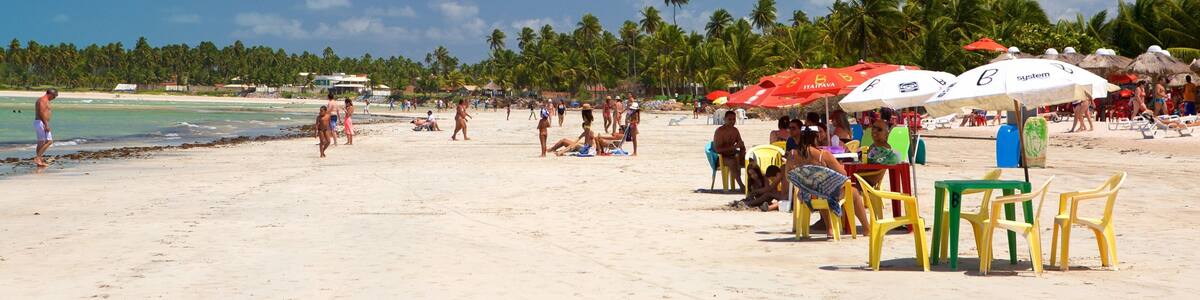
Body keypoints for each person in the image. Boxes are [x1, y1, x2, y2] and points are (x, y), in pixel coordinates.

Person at [785, 122, 870, 236]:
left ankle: (829, 228)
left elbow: (788, 176)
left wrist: (805, 182)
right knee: (853, 192)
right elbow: (843, 174)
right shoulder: (823, 155)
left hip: (806, 195)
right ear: (817, 137)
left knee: (818, 187)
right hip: (825, 194)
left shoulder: (792, 155)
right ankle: (866, 229)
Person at [713, 110, 747, 191]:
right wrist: (734, 147)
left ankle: (753, 184)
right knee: (732, 162)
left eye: (734, 119)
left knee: (751, 160)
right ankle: (742, 186)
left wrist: (743, 152)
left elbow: (741, 144)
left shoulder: (735, 130)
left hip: (733, 155)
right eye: (730, 119)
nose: (732, 121)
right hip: (721, 158)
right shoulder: (719, 131)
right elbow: (717, 150)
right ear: (724, 119)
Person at [32, 89, 57, 167]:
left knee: (41, 142)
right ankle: (38, 158)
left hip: (40, 122)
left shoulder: (43, 100)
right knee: (49, 141)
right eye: (54, 96)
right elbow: (41, 112)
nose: (54, 98)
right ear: (51, 94)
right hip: (41, 122)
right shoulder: (43, 100)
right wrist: (46, 125)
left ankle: (39, 160)